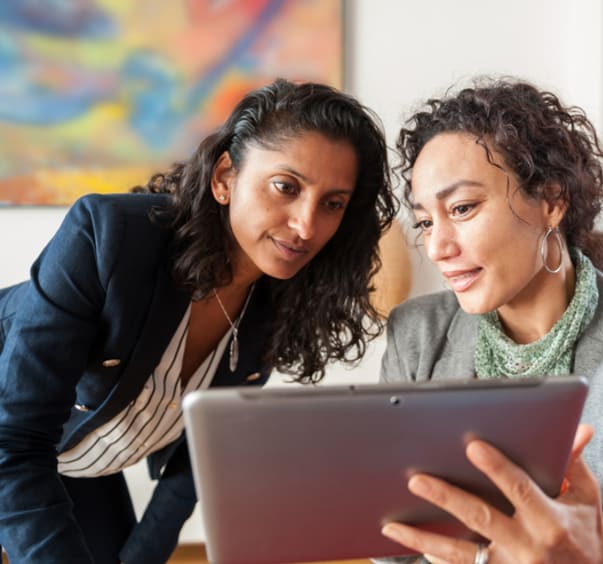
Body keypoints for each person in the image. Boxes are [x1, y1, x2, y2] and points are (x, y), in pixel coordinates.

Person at [0, 78, 396, 563]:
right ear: (225, 177)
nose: (306, 225)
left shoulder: (279, 302)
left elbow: (193, 463)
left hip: (76, 465)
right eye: (285, 187)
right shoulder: (107, 240)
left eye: (332, 203)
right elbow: (14, 443)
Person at [377, 77, 603, 563]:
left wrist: (596, 557)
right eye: (425, 221)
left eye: (462, 208)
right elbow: (393, 550)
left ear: (551, 202)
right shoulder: (416, 336)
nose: (438, 248)